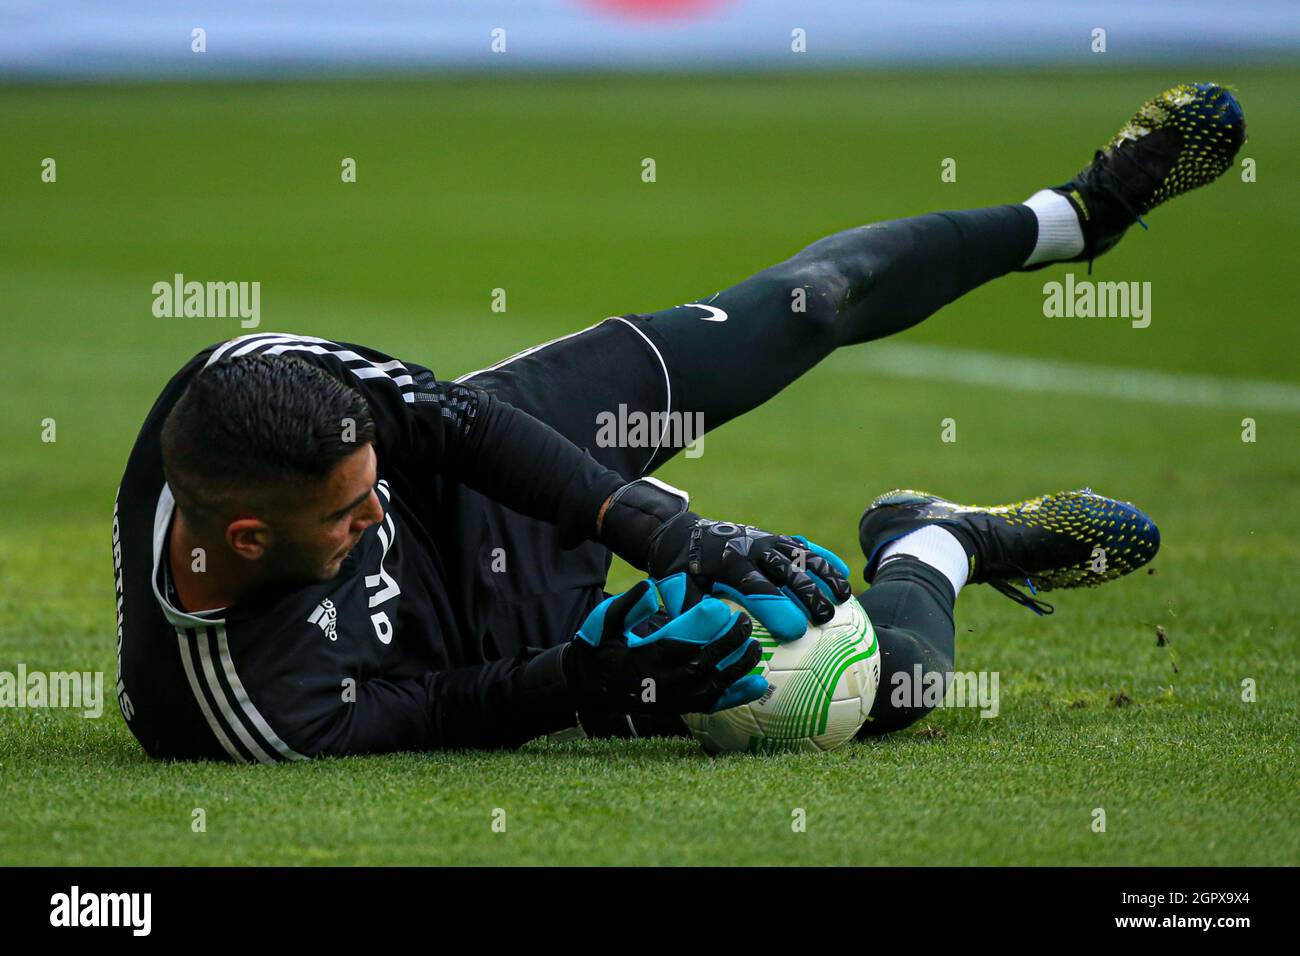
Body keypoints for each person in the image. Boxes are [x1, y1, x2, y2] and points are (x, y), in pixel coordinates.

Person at [112, 82, 1243, 761]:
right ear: (250, 538)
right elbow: (439, 707)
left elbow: (453, 426)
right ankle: (938, 538)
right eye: (349, 512)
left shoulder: (261, 375)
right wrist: (583, 675)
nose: (373, 511)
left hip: (511, 460)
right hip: (509, 642)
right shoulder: (240, 706)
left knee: (807, 304)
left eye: (371, 482)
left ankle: (1074, 214)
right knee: (870, 688)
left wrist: (668, 532)